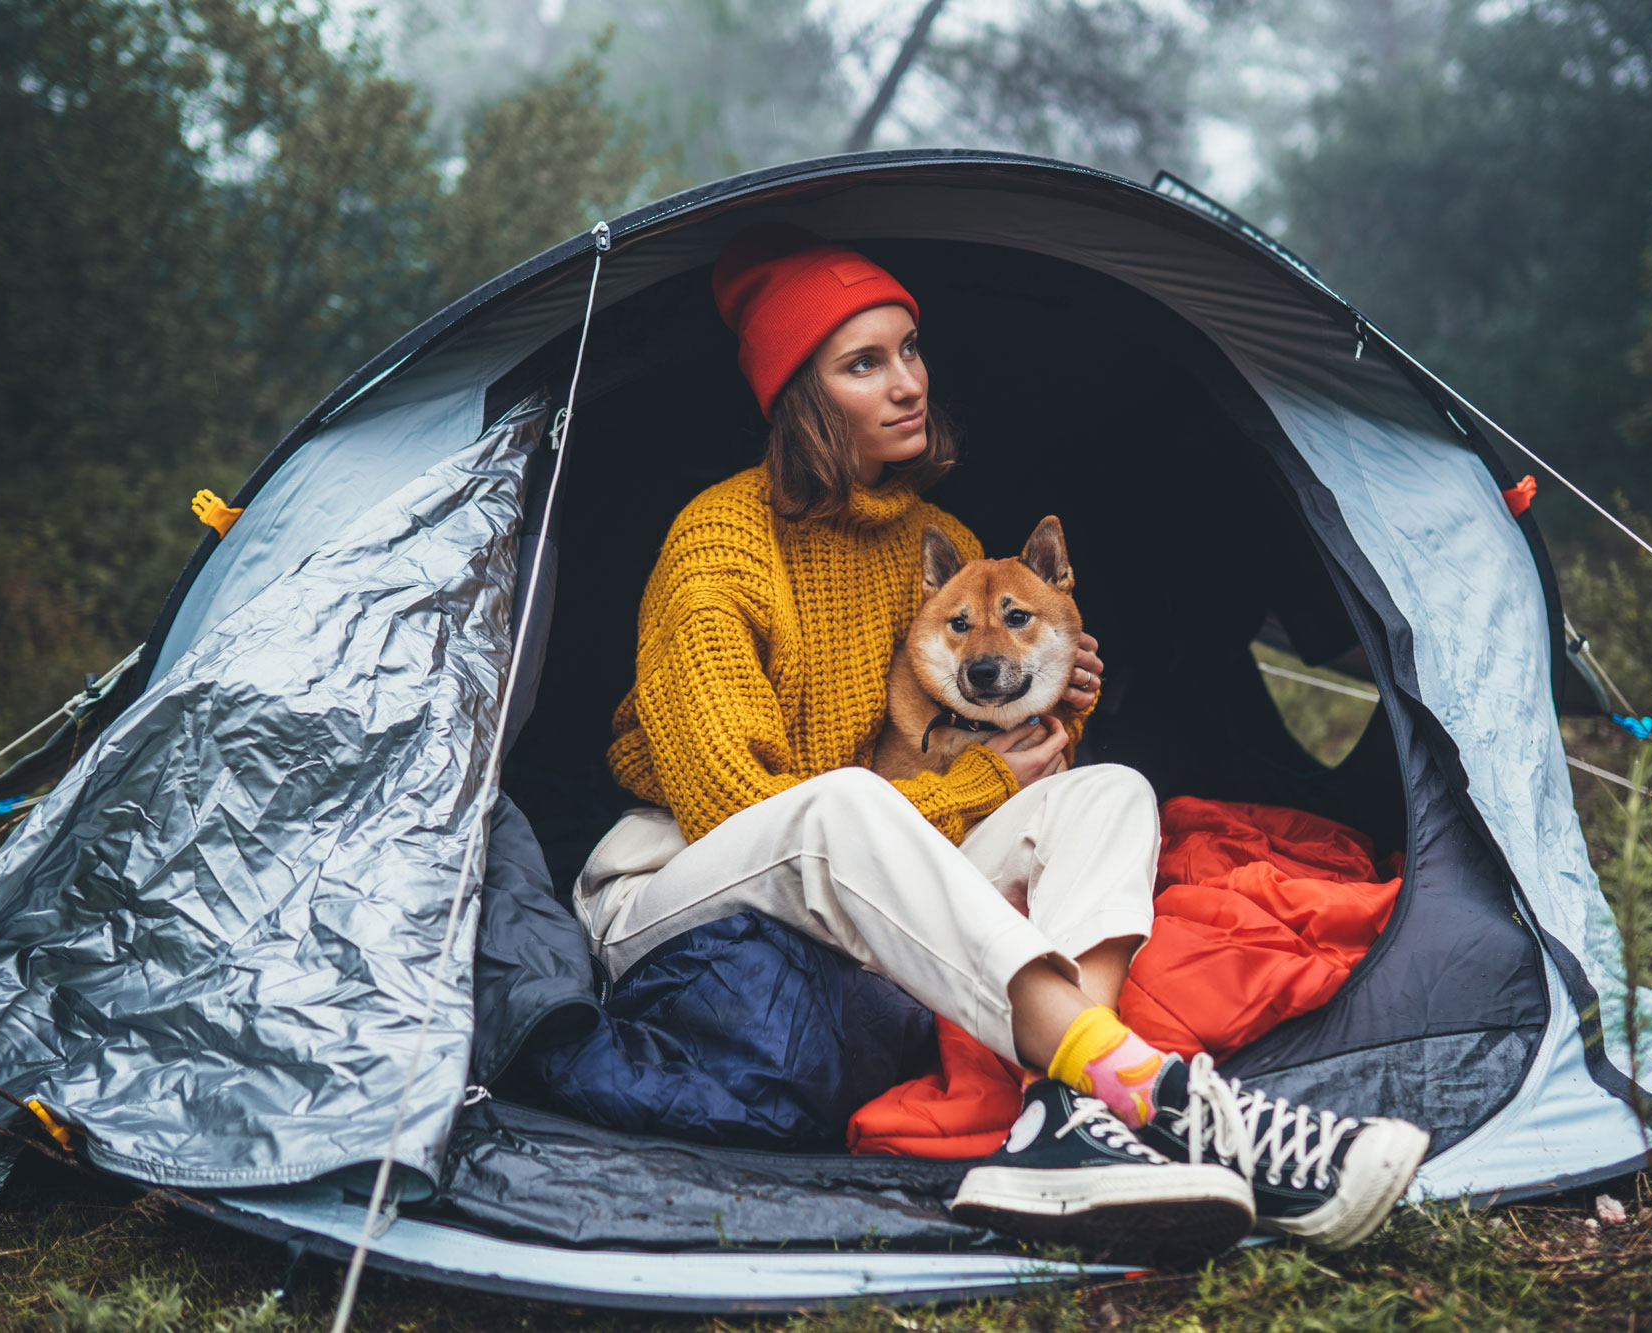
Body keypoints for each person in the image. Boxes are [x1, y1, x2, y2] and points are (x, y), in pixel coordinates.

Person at [573, 223, 1428, 1258]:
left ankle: (1061, 1117)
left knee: (1108, 791)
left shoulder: (943, 545)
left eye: (909, 348)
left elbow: (952, 731)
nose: (906, 384)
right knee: (843, 807)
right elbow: (740, 811)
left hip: (857, 859)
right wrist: (974, 778)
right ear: (799, 396)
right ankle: (1144, 1087)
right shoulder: (718, 547)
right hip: (675, 884)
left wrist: (1051, 709)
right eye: (863, 364)